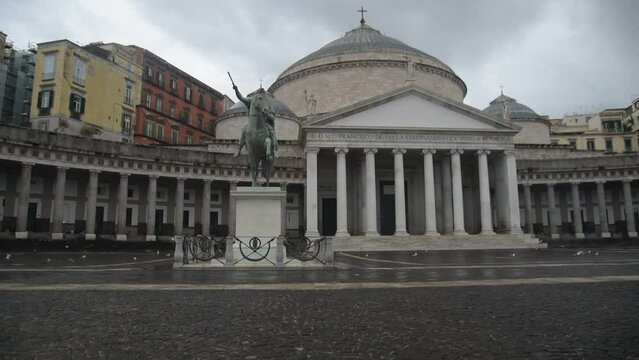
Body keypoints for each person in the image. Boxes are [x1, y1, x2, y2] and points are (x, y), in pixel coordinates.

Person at [233, 85, 278, 159]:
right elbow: (241, 98)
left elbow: (272, 118)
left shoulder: (268, 103)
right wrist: (236, 90)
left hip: (265, 124)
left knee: (272, 133)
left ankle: (274, 151)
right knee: (244, 130)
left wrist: (267, 114)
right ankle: (238, 149)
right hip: (253, 123)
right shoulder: (252, 101)